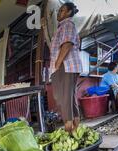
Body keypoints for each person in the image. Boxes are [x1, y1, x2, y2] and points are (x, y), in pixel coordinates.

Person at [49, 2, 82, 132]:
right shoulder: (62, 27)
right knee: (69, 97)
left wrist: (57, 64)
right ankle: (76, 130)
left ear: (68, 12)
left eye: (62, 10)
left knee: (64, 98)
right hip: (66, 66)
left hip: (65, 66)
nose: (58, 12)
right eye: (59, 10)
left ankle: (69, 131)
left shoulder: (67, 24)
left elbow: (67, 44)